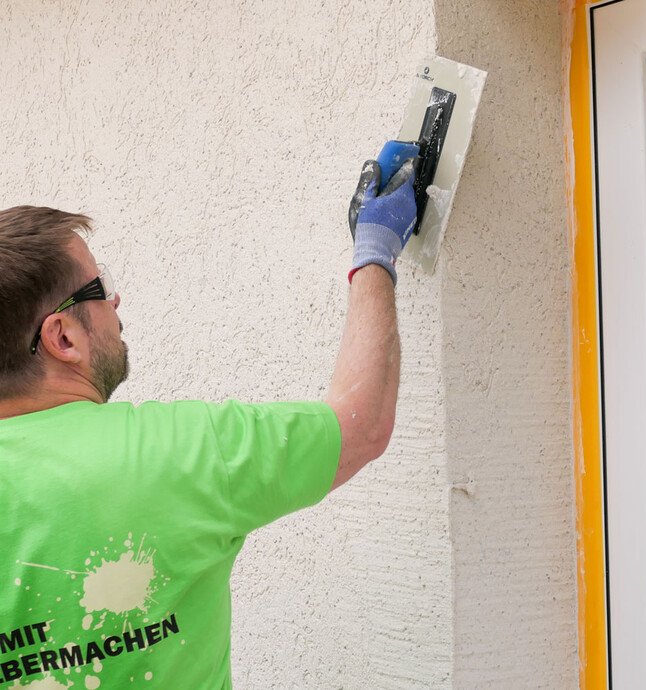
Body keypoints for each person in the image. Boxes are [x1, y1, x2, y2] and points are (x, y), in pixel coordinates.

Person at [0, 151, 416, 689]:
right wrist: (375, 252)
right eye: (99, 287)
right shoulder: (184, 452)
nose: (116, 298)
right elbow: (359, 425)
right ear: (63, 337)